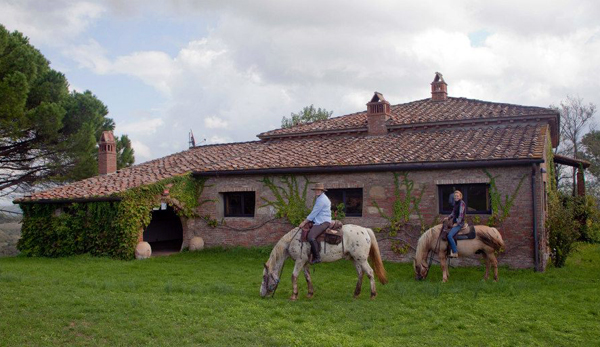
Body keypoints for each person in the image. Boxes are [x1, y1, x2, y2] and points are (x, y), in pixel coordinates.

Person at [299, 183, 331, 264]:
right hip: (319, 220)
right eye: (316, 190)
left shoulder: (322, 200)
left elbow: (314, 213)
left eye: (319, 190)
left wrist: (304, 222)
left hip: (323, 221)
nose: (317, 191)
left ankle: (317, 257)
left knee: (310, 237)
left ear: (322, 190)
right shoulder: (320, 198)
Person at [446, 190, 466, 258]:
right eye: (455, 196)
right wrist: (448, 218)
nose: (456, 197)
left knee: (449, 236)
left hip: (460, 224)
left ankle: (455, 252)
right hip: (455, 223)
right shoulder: (455, 203)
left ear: (460, 196)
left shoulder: (461, 203)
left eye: (457, 196)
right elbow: (453, 213)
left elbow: (460, 216)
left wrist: (457, 224)